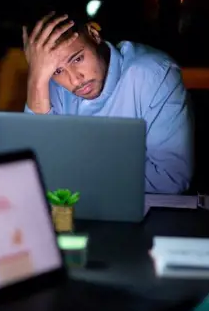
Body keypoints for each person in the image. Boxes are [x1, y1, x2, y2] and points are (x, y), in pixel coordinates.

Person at [22, 12, 193, 194]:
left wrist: (70, 169)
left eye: (78, 59)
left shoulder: (154, 75)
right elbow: (31, 175)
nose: (74, 80)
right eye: (57, 71)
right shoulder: (49, 85)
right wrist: (36, 80)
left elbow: (171, 179)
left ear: (94, 35)